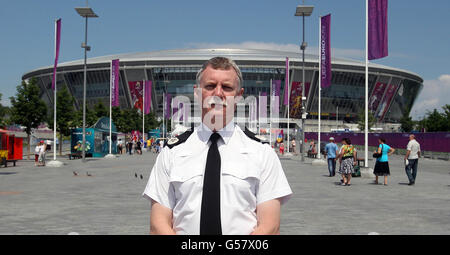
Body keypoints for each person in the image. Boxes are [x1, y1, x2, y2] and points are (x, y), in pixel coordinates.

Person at [143, 57, 292, 235]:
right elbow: (158, 224)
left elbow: (270, 226)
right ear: (197, 93)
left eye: (227, 87)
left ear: (238, 96)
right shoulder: (171, 152)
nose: (218, 93)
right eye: (210, 86)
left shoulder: (262, 153)